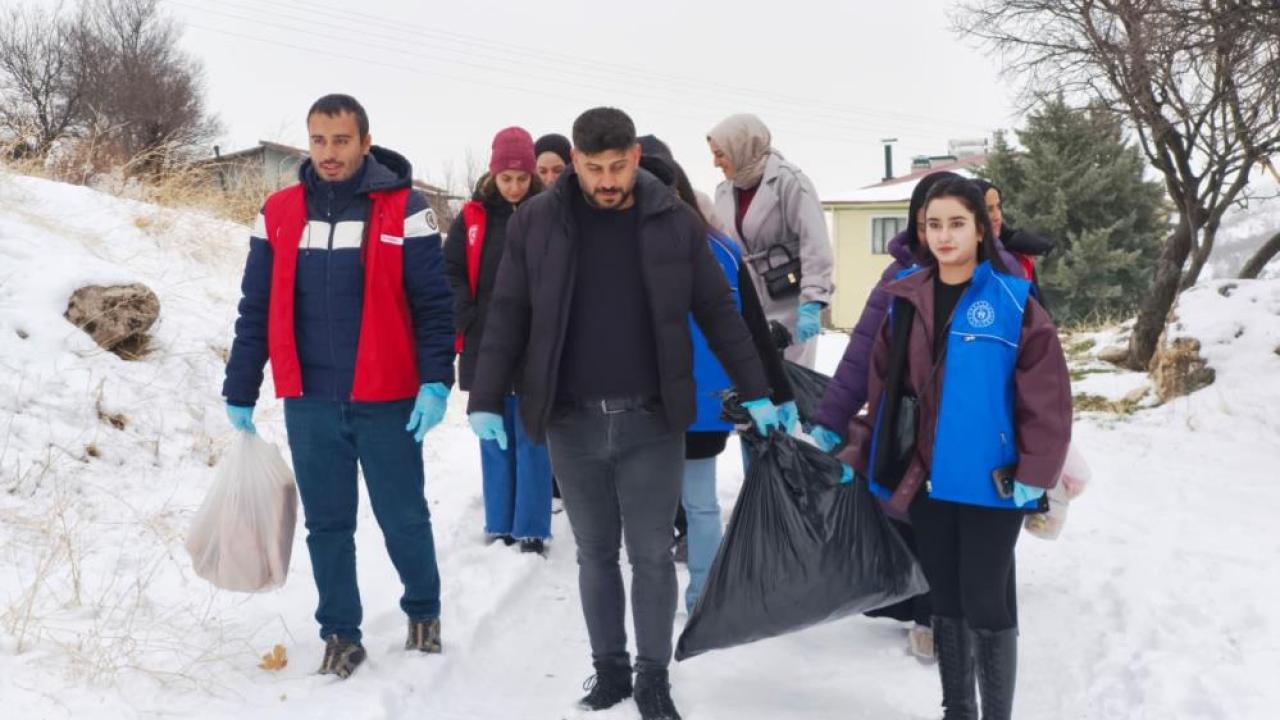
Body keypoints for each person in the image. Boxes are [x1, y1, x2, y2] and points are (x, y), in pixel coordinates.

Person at [465, 107, 782, 720]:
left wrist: (761, 388)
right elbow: (507, 313)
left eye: (617, 167)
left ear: (636, 157)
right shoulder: (538, 222)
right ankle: (610, 670)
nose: (607, 180)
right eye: (594, 168)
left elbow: (721, 313)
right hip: (571, 418)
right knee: (594, 553)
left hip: (651, 420)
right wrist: (482, 397)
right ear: (574, 163)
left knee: (654, 555)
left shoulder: (672, 223)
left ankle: (653, 676)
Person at [222, 94, 455, 678]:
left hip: (388, 397)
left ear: (365, 143)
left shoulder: (405, 208)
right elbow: (256, 306)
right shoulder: (277, 212)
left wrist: (435, 382)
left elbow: (434, 305)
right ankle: (340, 634)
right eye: (319, 140)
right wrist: (241, 385)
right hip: (311, 401)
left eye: (341, 141)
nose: (329, 153)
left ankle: (424, 613)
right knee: (327, 525)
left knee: (402, 516)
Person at [836, 178, 1072, 719]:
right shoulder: (906, 300)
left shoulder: (1014, 301)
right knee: (944, 598)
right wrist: (861, 453)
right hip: (927, 478)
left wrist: (1036, 471)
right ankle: (957, 710)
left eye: (956, 223)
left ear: (980, 229)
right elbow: (883, 392)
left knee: (986, 600)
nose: (944, 236)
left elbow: (1048, 397)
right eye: (934, 224)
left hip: (994, 479)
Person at [637, 134, 797, 613]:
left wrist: (777, 392)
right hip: (689, 400)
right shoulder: (718, 246)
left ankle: (695, 593)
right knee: (695, 503)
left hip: (683, 401)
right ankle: (698, 594)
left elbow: (750, 327)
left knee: (676, 505)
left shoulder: (713, 249)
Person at [444, 127, 552, 555]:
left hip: (533, 345)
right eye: (506, 179)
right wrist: (466, 316)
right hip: (484, 342)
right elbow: (449, 270)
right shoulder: (472, 218)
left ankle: (531, 528)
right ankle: (499, 522)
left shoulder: (548, 214)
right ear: (493, 175)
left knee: (531, 437)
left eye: (522, 178)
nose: (513, 187)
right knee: (492, 435)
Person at [707, 113, 834, 368]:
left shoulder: (789, 182)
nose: (715, 163)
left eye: (720, 154)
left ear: (741, 146)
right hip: (746, 300)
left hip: (789, 298)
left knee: (793, 379)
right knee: (755, 381)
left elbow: (815, 242)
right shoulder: (724, 191)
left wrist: (812, 301)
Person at [972, 179, 1056, 307]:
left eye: (998, 207)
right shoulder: (964, 262)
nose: (996, 216)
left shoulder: (1015, 250)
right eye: (988, 209)